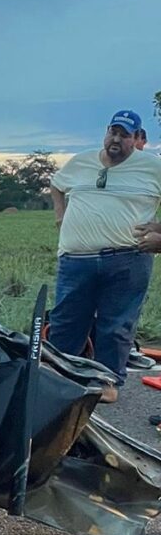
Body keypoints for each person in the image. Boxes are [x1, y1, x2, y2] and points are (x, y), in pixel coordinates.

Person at [49, 110, 161, 403]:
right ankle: (57, 380)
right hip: (76, 259)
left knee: (116, 326)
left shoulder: (152, 167)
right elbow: (57, 185)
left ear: (137, 138)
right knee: (66, 323)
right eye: (113, 132)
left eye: (125, 135)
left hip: (128, 259)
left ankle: (106, 382)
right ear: (106, 132)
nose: (116, 139)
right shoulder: (82, 161)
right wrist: (60, 215)